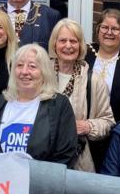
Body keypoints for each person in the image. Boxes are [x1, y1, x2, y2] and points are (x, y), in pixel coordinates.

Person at [0, 44, 77, 168]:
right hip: (1, 183)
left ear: (44, 72)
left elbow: (65, 154)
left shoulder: (59, 105)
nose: (24, 72)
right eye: (19, 65)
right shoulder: (0, 102)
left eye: (32, 66)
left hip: (40, 184)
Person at [48, 19, 114, 172]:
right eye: (63, 40)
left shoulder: (94, 81)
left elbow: (108, 121)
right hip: (44, 157)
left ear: (80, 45)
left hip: (78, 162)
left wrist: (88, 126)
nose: (68, 46)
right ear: (54, 44)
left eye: (74, 41)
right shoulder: (41, 74)